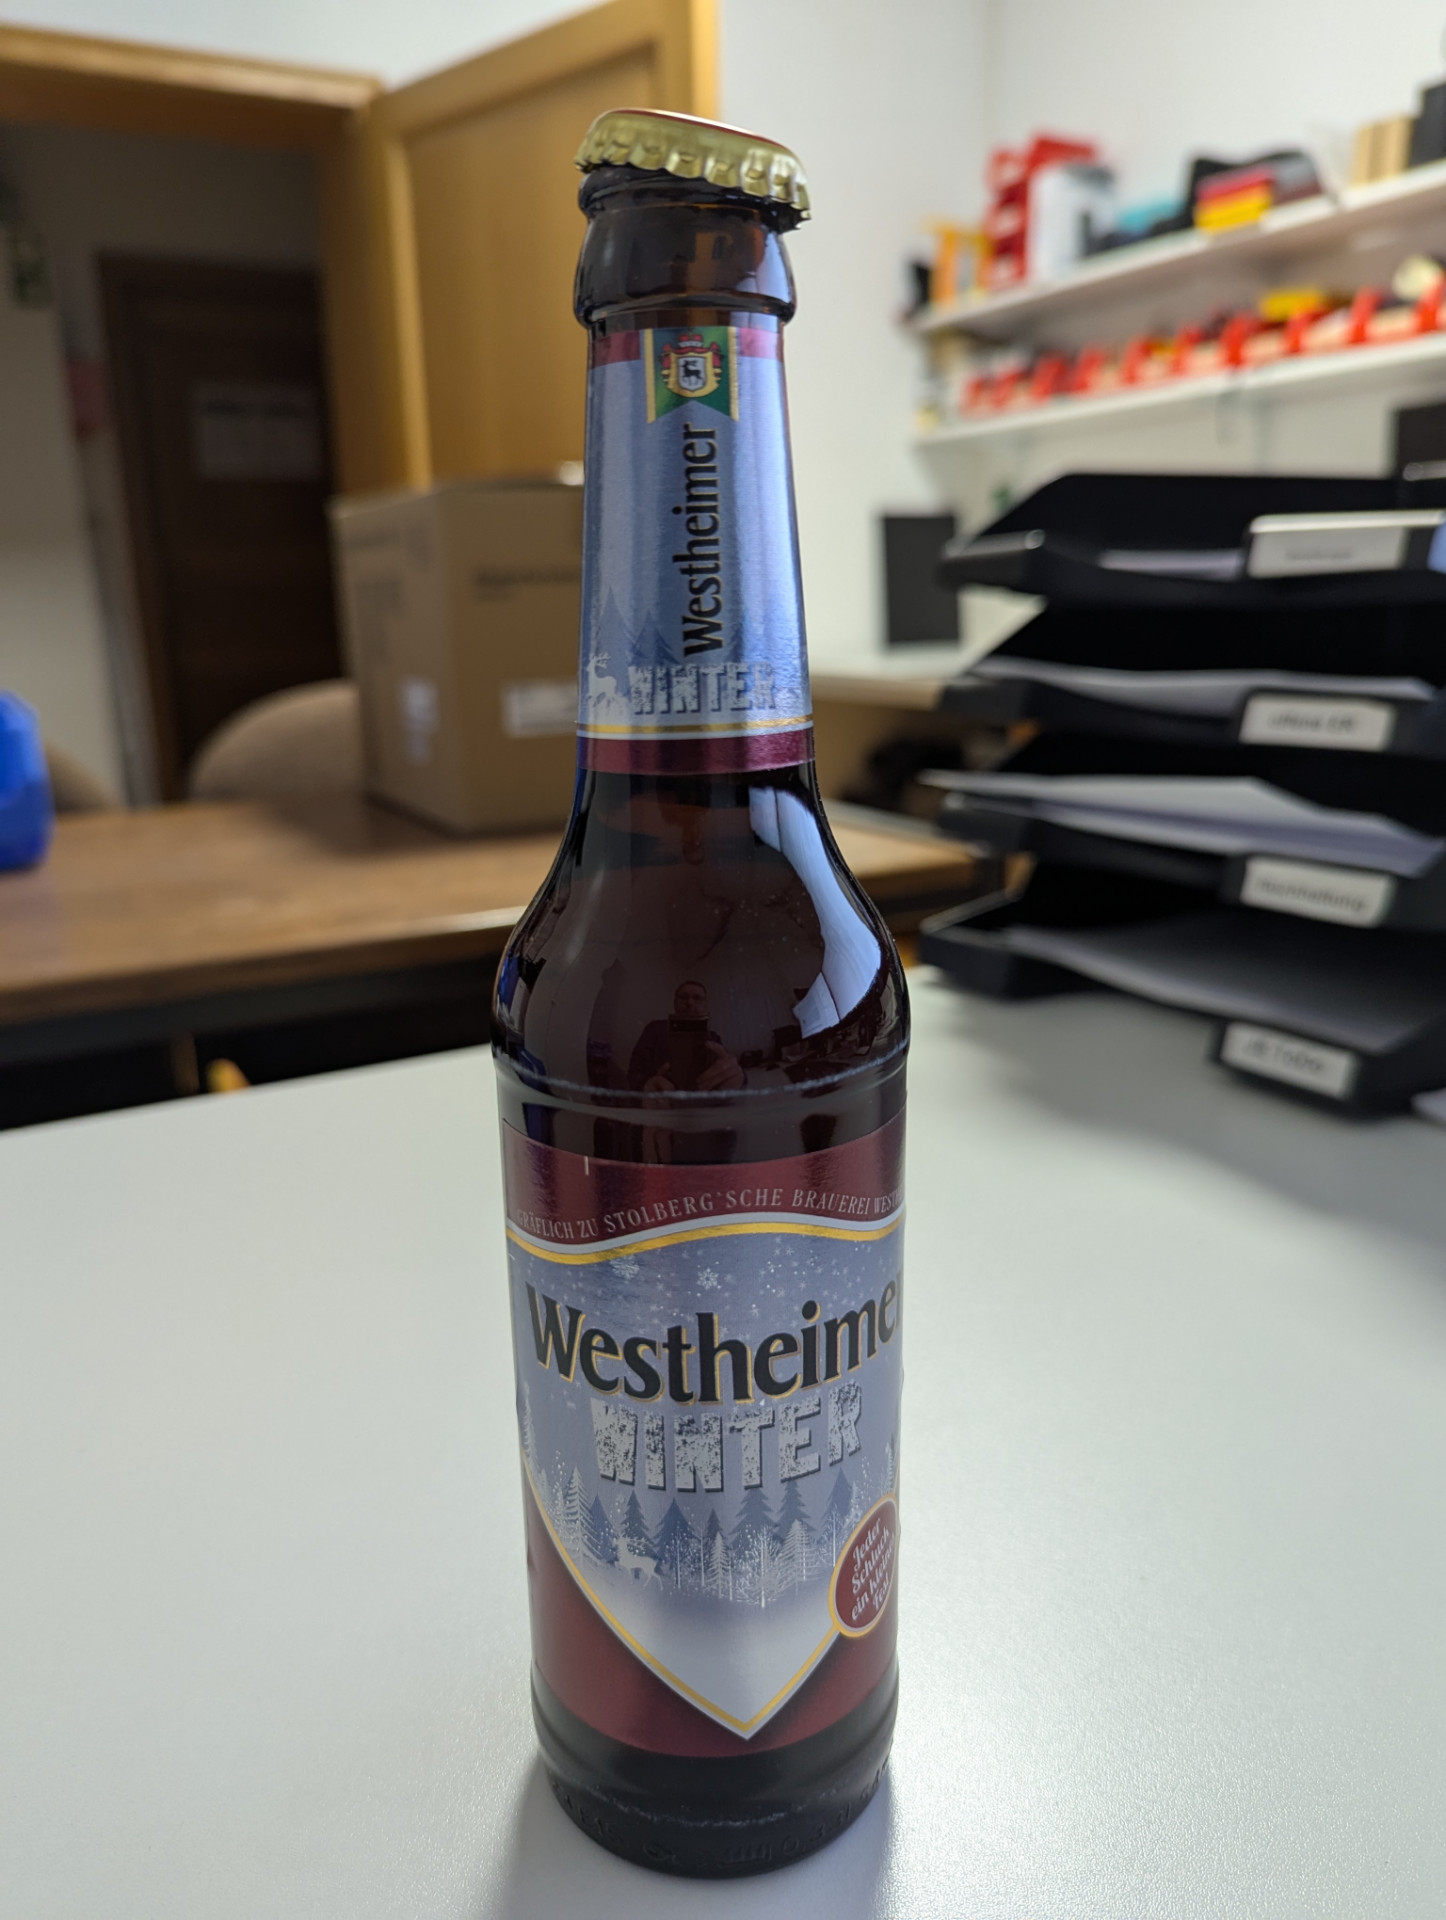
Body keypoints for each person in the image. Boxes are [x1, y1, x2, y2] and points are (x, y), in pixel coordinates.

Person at [627, 980, 745, 1093]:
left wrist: (738, 1077)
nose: (690, 1003)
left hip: (703, 1102)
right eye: (683, 997)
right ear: (675, 1003)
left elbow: (730, 1067)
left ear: (705, 1005)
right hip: (661, 1102)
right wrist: (648, 1087)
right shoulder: (655, 1029)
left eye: (697, 998)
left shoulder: (713, 1037)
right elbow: (634, 1073)